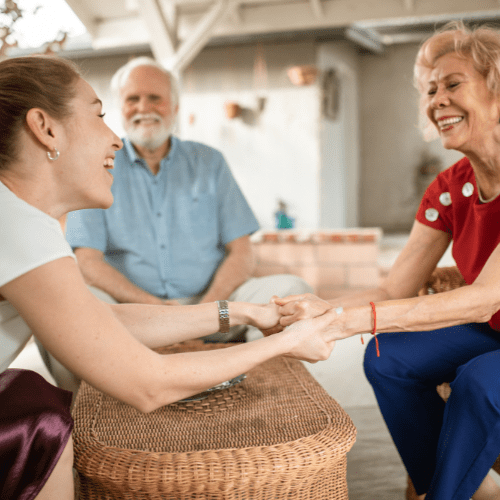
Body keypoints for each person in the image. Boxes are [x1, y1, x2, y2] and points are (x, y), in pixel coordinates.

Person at [0, 55, 335, 500]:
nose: (115, 138)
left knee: (33, 398)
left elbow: (102, 321)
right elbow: (149, 382)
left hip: (196, 297)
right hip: (138, 360)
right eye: (100, 115)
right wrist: (287, 341)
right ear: (45, 128)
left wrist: (239, 311)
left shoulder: (21, 217)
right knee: (41, 414)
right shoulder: (16, 224)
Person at [273, 22, 500, 500]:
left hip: (487, 315)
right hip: (493, 328)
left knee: (478, 382)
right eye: (430, 89)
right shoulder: (449, 187)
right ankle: (455, 486)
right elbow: (394, 288)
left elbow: (483, 299)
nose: (436, 100)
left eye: (453, 84)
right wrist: (325, 308)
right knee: (386, 357)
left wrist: (346, 323)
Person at [64, 56, 312, 343]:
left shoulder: (210, 162)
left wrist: (209, 310)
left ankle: (264, 378)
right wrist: (156, 308)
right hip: (135, 313)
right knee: (67, 306)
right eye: (133, 99)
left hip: (217, 309)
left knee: (292, 289)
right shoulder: (98, 166)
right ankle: (89, 389)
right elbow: (87, 261)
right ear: (121, 108)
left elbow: (242, 251)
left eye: (155, 98)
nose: (143, 108)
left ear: (176, 107)